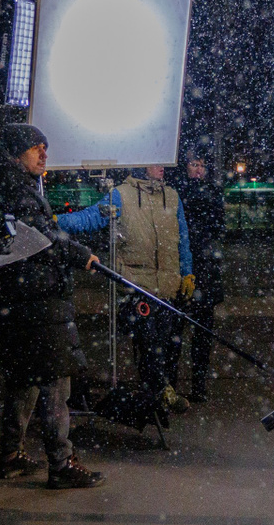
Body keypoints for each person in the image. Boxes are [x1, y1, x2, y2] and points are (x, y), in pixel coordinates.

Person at [0, 123, 103, 489]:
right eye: (36, 147)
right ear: (16, 154)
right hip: (38, 298)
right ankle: (61, 463)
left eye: (44, 147)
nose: (44, 154)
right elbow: (44, 239)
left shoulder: (7, 185)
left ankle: (10, 455)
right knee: (55, 380)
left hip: (19, 298)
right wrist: (81, 255)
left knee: (25, 380)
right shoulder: (17, 189)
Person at [58, 165, 192, 412]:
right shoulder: (121, 194)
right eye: (155, 162)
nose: (161, 167)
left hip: (168, 288)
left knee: (167, 344)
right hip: (136, 287)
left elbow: (182, 238)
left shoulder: (172, 196)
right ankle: (160, 392)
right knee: (150, 344)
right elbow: (90, 218)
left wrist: (187, 272)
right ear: (142, 165)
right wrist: (56, 221)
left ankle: (159, 395)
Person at [178, 151, 228, 403]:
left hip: (205, 272)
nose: (199, 170)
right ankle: (172, 383)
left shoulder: (211, 193)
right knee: (177, 330)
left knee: (202, 333)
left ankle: (198, 384)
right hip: (186, 268)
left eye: (202, 166)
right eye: (194, 164)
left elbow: (219, 226)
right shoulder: (179, 193)